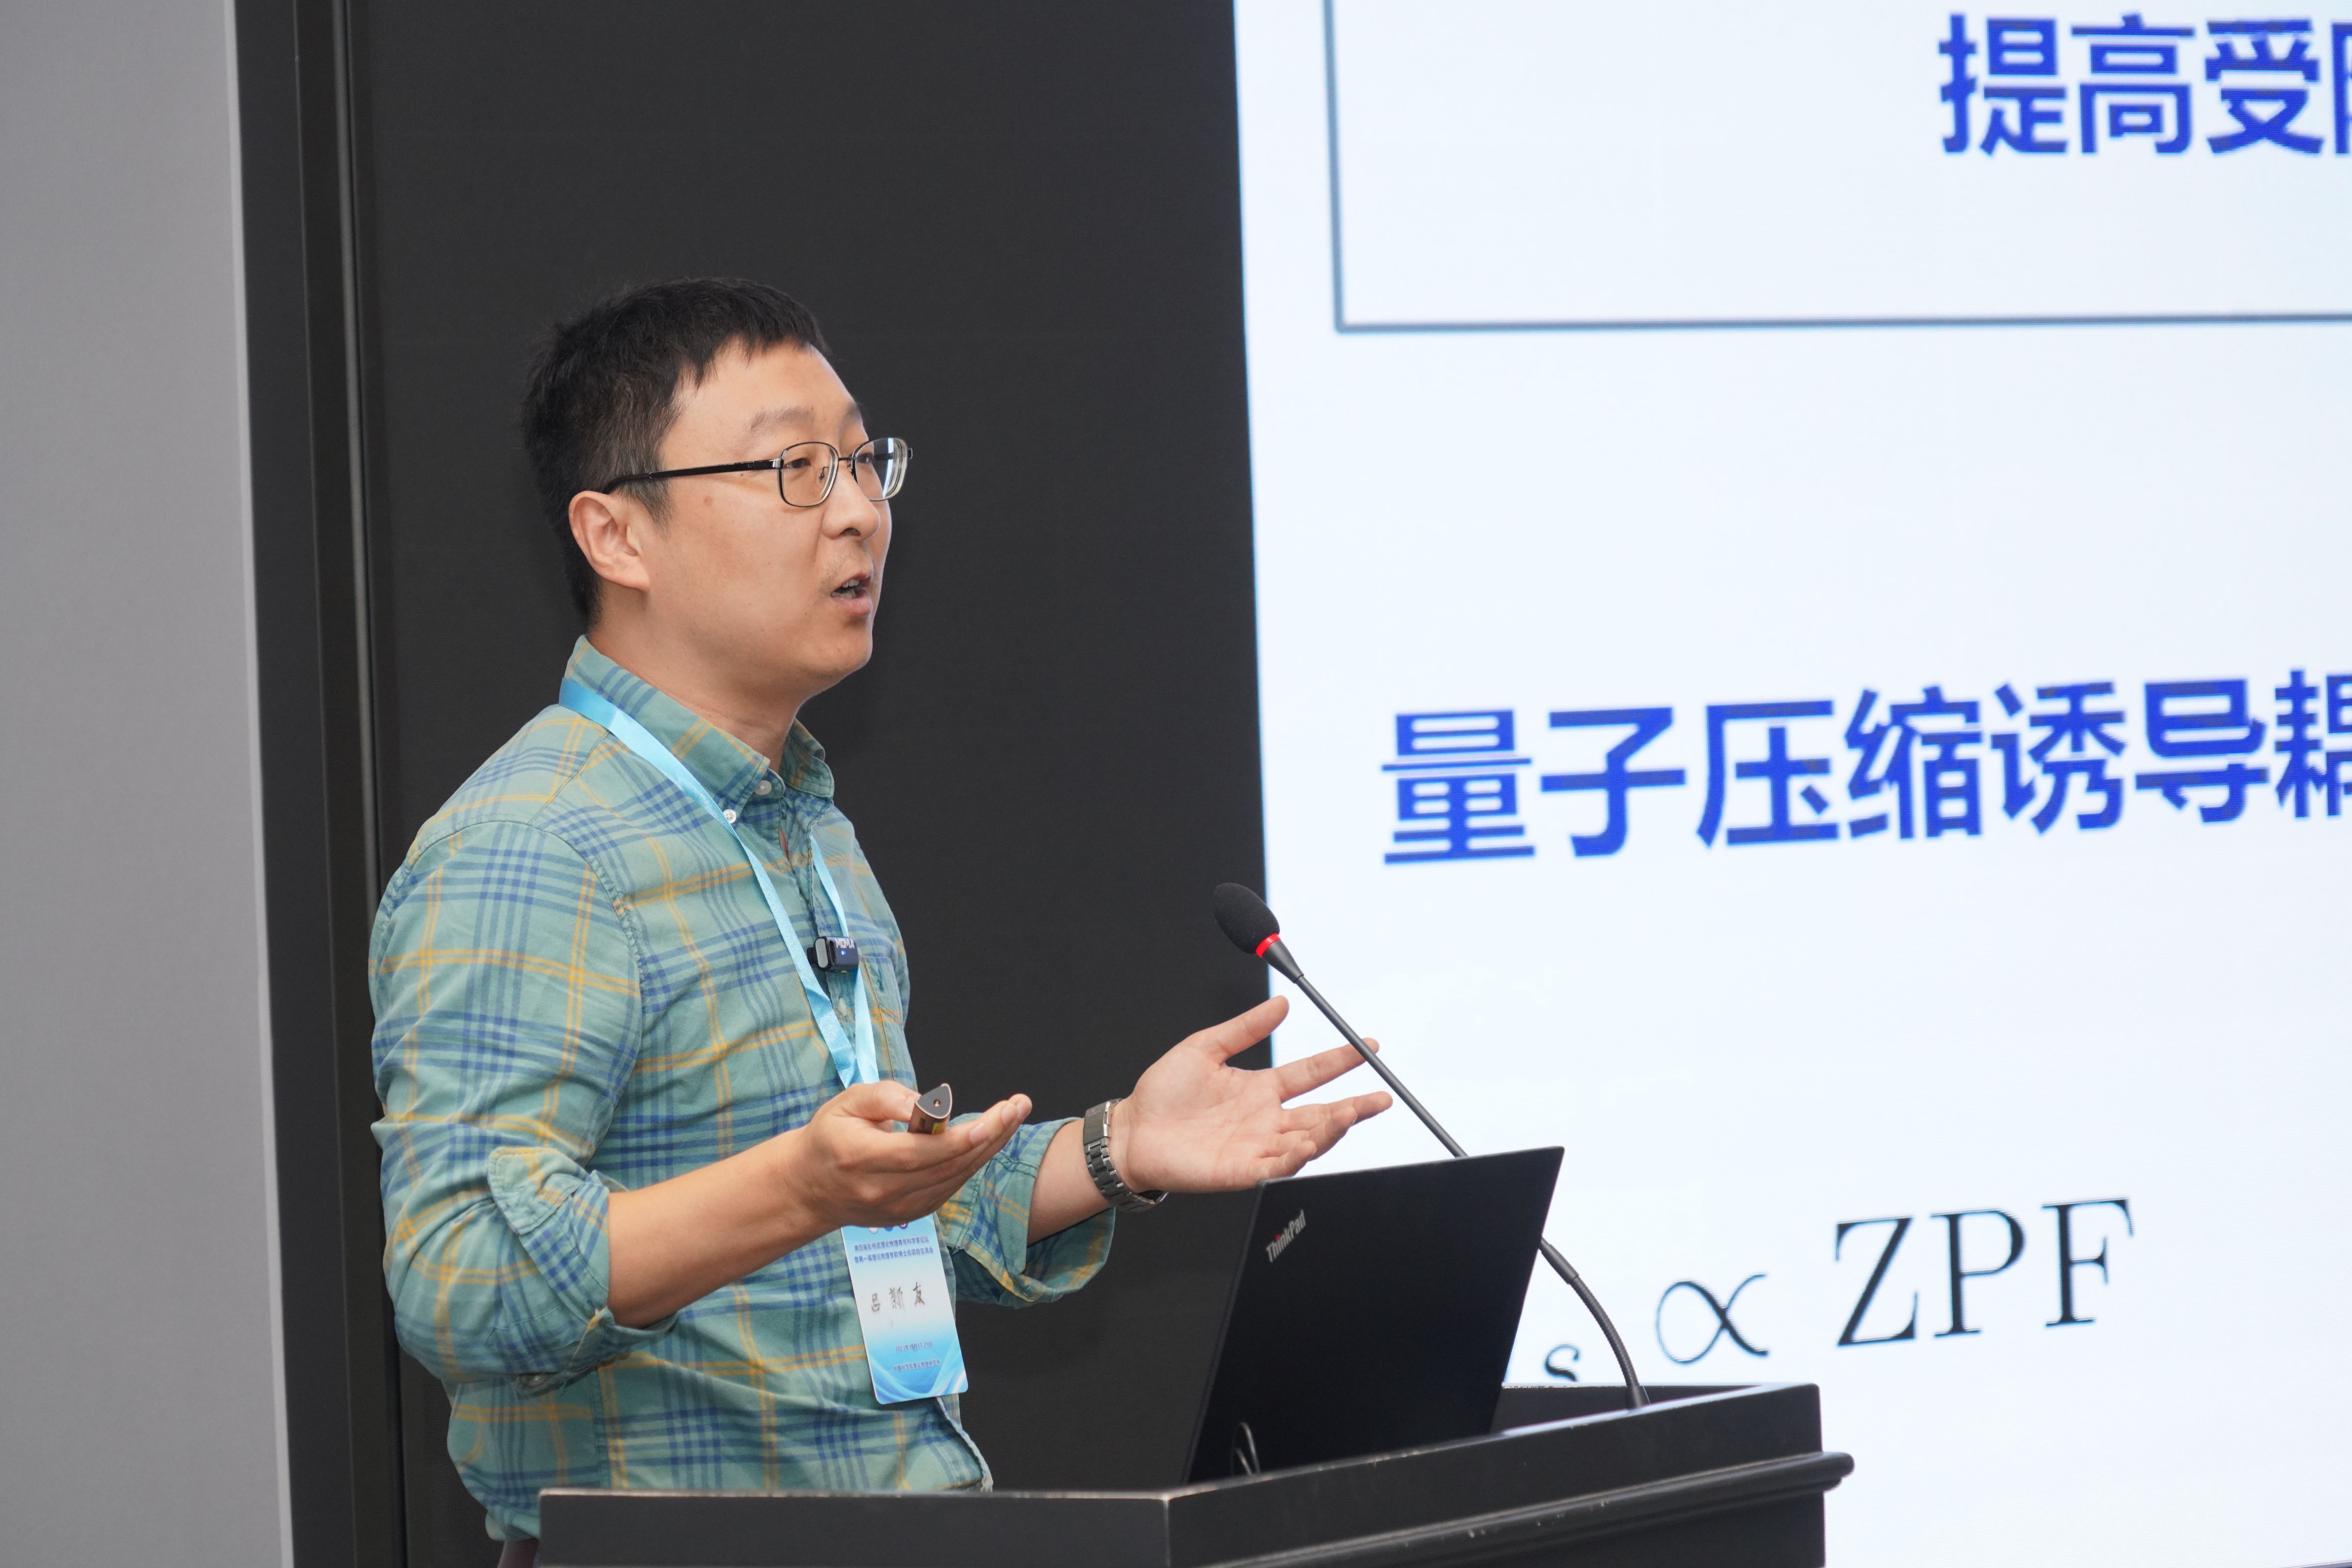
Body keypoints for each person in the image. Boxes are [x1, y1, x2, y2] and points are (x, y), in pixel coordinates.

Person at [369, 277, 1390, 1561]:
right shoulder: (535, 847)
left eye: (864, 461)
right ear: (615, 535)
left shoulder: (802, 824)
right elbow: (462, 1279)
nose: (859, 510)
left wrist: (1120, 1146)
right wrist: (796, 1188)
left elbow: (883, 1216)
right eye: (796, 469)